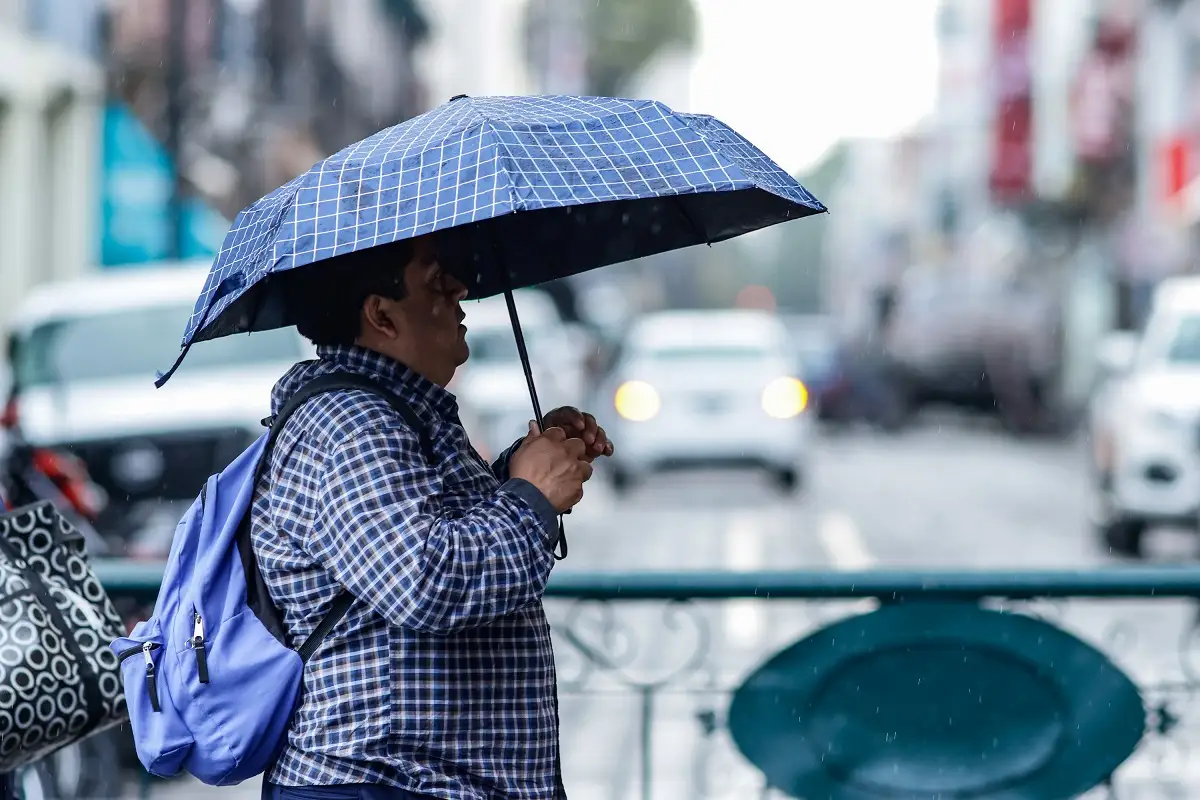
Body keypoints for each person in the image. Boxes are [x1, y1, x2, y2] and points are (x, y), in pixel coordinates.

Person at [254, 234, 612, 800]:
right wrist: (530, 494)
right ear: (381, 315)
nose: (461, 290)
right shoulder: (350, 425)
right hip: (386, 783)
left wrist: (524, 470)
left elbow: (428, 533)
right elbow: (425, 580)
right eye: (436, 282)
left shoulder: (399, 412)